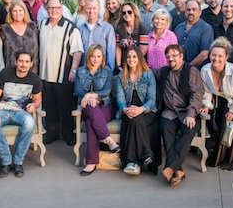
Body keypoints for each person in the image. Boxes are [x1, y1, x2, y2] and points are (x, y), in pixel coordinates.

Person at [0, 50, 43, 178]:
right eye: (21, 61)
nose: (23, 64)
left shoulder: (35, 79)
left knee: (30, 123)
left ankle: (18, 162)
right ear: (16, 62)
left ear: (31, 64)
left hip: (20, 112)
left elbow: (38, 99)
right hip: (2, 110)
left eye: (27, 62)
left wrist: (34, 105)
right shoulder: (5, 74)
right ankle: (6, 161)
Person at [199, 37, 233, 170]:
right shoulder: (205, 70)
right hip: (225, 102)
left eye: (220, 56)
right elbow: (207, 91)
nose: (216, 58)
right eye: (213, 55)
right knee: (224, 129)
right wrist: (206, 105)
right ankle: (221, 157)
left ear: (226, 57)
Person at [155, 44, 204, 186]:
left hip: (187, 111)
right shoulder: (164, 72)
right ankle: (178, 170)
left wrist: (191, 114)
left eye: (174, 55)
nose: (171, 59)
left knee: (188, 131)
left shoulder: (191, 71)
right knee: (165, 128)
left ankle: (170, 167)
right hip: (170, 111)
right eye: (168, 56)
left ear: (181, 56)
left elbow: (197, 94)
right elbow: (148, 72)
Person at [39, 0, 83, 145]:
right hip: (44, 75)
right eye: (50, 8)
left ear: (61, 8)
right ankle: (52, 134)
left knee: (65, 108)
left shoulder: (71, 27)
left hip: (63, 75)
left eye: (57, 8)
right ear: (46, 9)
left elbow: (77, 51)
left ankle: (68, 135)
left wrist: (73, 70)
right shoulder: (42, 24)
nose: (54, 11)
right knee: (49, 107)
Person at [75, 45, 119, 176]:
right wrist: (88, 98)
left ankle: (91, 163)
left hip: (106, 106)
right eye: (93, 56)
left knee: (90, 121)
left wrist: (91, 95)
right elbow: (78, 89)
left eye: (99, 56)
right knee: (90, 110)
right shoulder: (81, 71)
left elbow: (107, 91)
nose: (95, 59)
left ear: (103, 58)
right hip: (87, 107)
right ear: (88, 56)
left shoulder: (107, 71)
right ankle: (108, 140)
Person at [116, 47, 158, 176]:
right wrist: (124, 109)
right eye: (129, 57)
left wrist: (141, 109)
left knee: (136, 119)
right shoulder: (121, 75)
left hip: (146, 109)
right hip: (128, 108)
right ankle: (146, 154)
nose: (131, 59)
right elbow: (120, 97)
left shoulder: (148, 74)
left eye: (134, 57)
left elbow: (152, 100)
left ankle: (132, 161)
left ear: (139, 58)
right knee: (133, 118)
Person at [79, 0, 116, 73]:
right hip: (84, 72)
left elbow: (111, 52)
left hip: (102, 72)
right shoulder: (81, 28)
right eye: (89, 8)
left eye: (94, 8)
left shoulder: (107, 28)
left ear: (99, 9)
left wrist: (109, 71)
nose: (91, 11)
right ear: (85, 9)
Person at [1, 0, 39, 73]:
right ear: (10, 13)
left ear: (24, 11)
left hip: (32, 71)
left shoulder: (32, 26)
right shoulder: (4, 29)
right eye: (15, 11)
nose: (18, 13)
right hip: (11, 71)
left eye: (20, 10)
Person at [174, 0, 214, 68]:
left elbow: (204, 55)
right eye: (188, 10)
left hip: (197, 71)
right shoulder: (178, 27)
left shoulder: (206, 28)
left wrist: (187, 67)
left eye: (194, 9)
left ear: (200, 12)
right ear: (185, 12)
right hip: (177, 69)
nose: (191, 12)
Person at [115, 2, 149, 72]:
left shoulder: (142, 29)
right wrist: (118, 65)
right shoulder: (119, 29)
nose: (127, 14)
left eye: (129, 12)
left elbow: (143, 50)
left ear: (134, 12)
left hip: (137, 65)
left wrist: (132, 63)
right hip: (123, 66)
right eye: (124, 13)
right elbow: (118, 47)